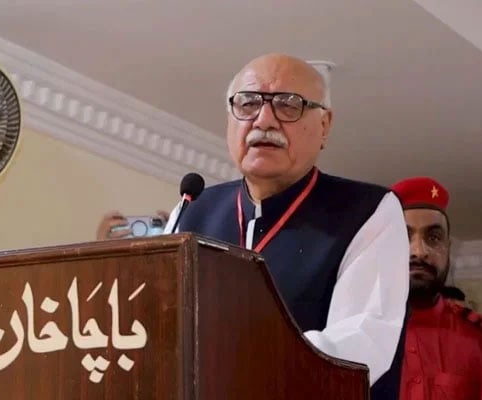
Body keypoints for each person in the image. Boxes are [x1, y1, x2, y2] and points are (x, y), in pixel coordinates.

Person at [162, 53, 409, 398]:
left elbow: (359, 343)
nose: (264, 120)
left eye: (288, 105)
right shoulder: (192, 210)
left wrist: (231, 371)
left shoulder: (368, 211)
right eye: (247, 104)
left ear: (324, 126)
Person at [391, 176, 482, 400]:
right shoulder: (352, 333)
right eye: (404, 236)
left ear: (448, 248)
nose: (419, 251)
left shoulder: (478, 338)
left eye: (433, 237)